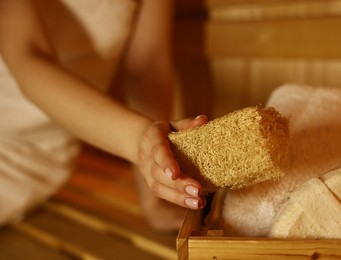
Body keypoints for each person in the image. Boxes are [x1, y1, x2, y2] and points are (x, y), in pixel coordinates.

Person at [0, 0, 206, 232]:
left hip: (45, 159)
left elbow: (147, 67)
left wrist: (153, 197)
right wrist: (139, 140)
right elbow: (27, 55)